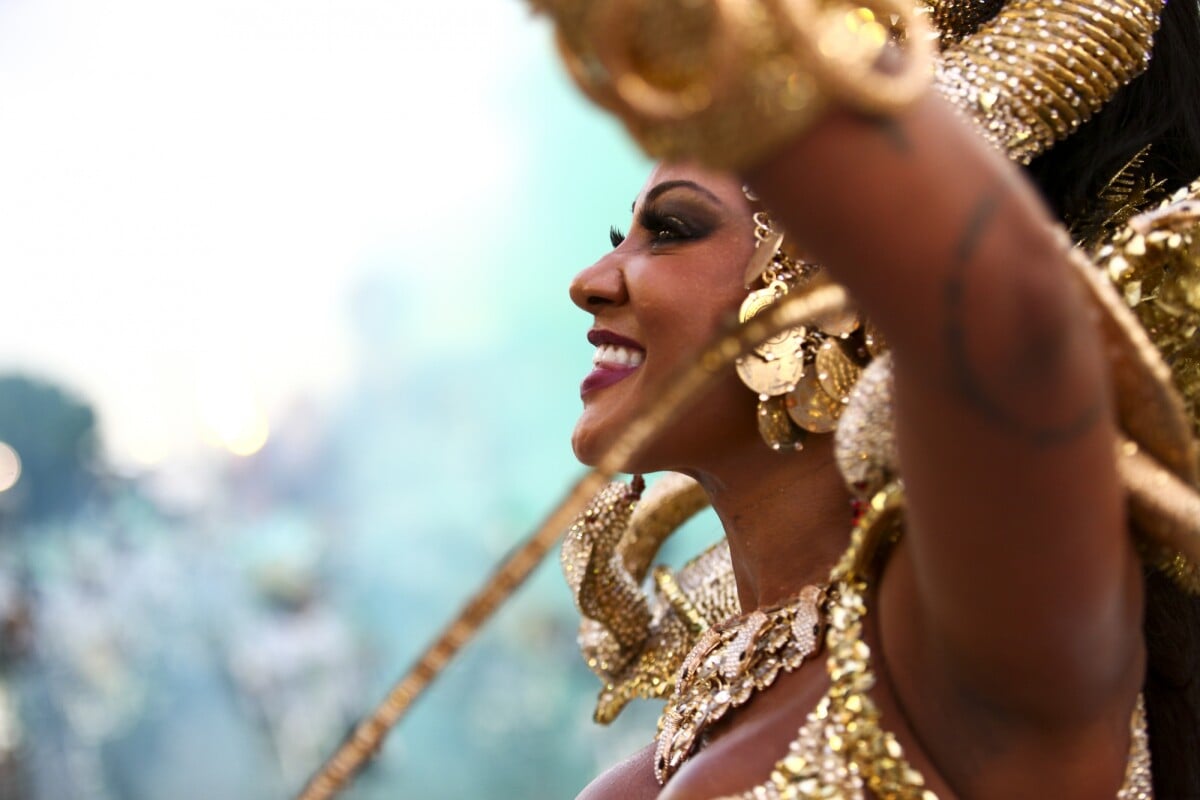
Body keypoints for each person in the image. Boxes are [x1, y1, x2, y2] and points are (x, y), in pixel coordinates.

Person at [543, 0, 1200, 796]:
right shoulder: (628, 786)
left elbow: (1006, 304)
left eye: (672, 230)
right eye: (624, 238)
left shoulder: (994, 647)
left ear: (855, 293)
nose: (591, 282)